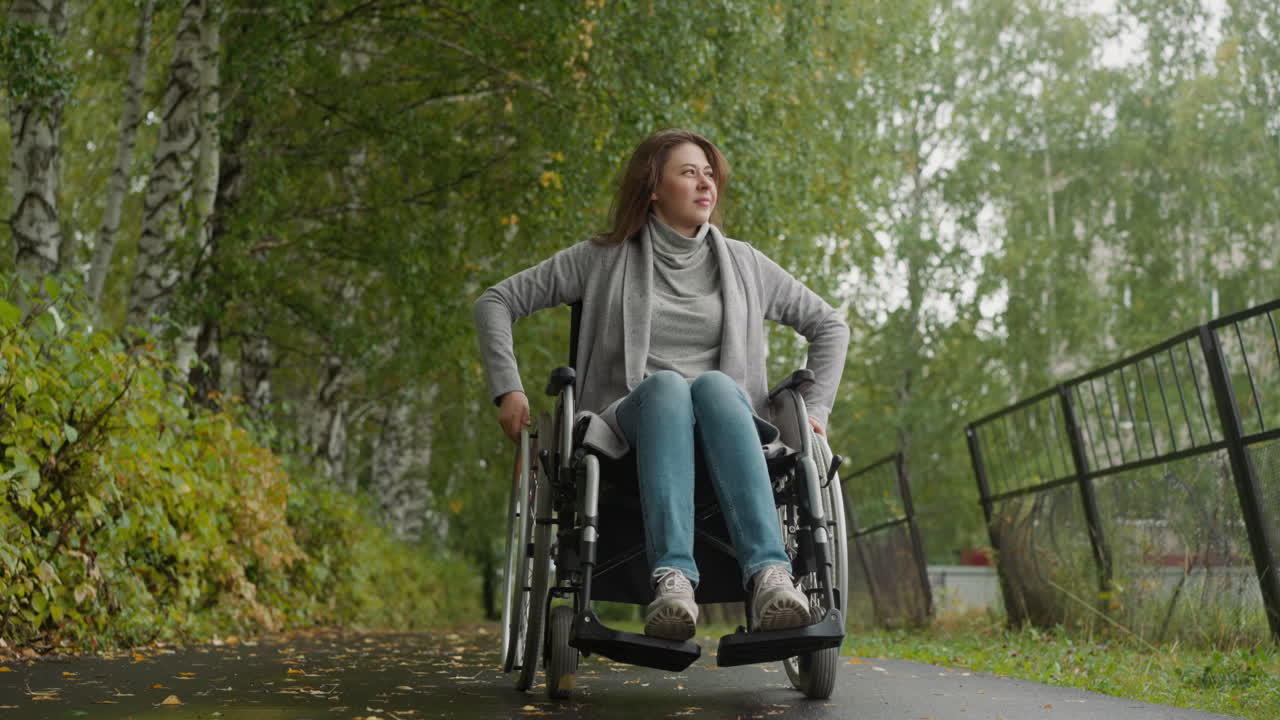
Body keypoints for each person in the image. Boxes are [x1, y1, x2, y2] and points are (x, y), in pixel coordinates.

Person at [474, 129, 849, 641]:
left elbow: (830, 326)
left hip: (727, 423)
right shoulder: (600, 258)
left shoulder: (746, 264)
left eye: (710, 173)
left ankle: (771, 578)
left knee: (716, 387)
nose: (706, 184)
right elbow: (495, 301)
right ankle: (673, 582)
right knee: (670, 388)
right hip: (631, 424)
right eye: (689, 172)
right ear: (654, 186)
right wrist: (508, 388)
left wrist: (818, 410)